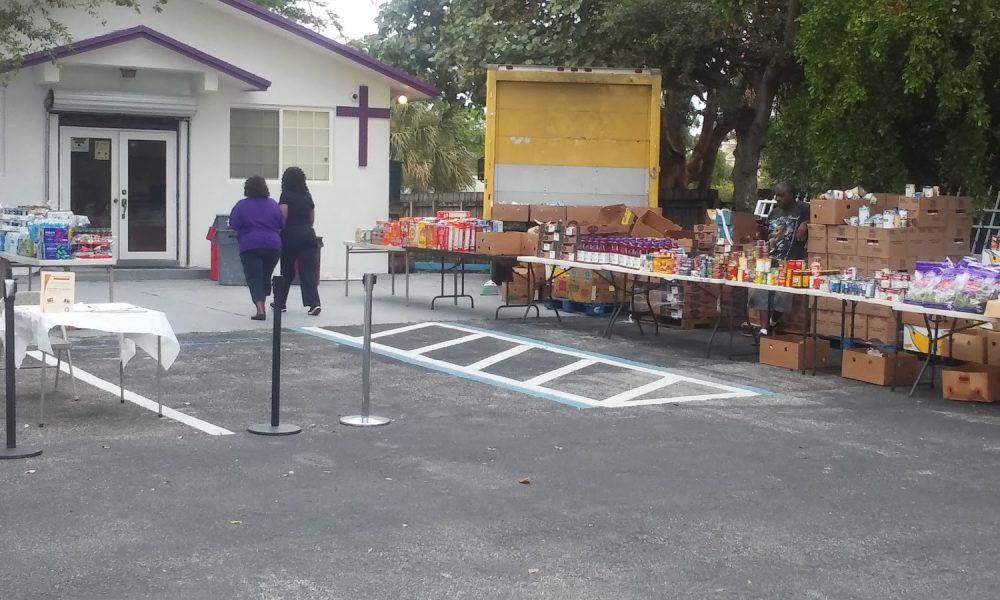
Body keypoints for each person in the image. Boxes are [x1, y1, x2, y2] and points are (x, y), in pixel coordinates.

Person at [750, 181, 810, 334]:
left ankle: (772, 322)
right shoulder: (773, 213)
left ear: (791, 195)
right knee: (760, 291)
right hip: (770, 259)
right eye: (776, 196)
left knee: (783, 296)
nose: (777, 199)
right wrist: (761, 230)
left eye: (781, 196)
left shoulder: (803, 208)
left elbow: (821, 219)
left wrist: (806, 223)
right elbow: (767, 237)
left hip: (790, 262)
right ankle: (763, 328)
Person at [229, 176, 284, 321]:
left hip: (250, 245)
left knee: (254, 277)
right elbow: (281, 223)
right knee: (265, 275)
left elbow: (233, 225)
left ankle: (260, 310)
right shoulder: (272, 204)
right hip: (273, 245)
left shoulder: (241, 205)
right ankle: (263, 300)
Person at [272, 166, 322, 316]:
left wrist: (280, 231)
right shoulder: (307, 196)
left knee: (287, 270)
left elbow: (283, 217)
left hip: (290, 235)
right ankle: (314, 303)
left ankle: (280, 303)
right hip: (308, 234)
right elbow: (312, 218)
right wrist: (305, 228)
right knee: (308, 271)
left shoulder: (285, 195)